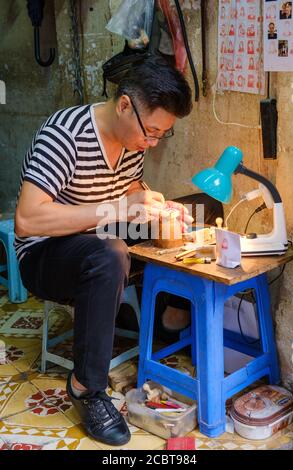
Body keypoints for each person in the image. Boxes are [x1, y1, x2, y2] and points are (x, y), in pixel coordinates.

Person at [14, 57, 193, 446]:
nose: (153, 142)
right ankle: (87, 388)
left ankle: (164, 320)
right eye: (151, 132)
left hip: (97, 235)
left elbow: (128, 187)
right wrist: (117, 211)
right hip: (45, 254)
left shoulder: (135, 140)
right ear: (125, 105)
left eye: (164, 135)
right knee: (109, 254)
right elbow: (27, 220)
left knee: (190, 213)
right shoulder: (66, 134)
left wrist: (150, 201)